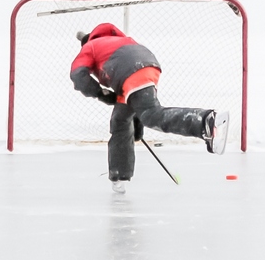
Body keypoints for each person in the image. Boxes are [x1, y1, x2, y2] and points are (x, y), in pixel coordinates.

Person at [69, 22, 225, 191]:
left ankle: (204, 121)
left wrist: (100, 93)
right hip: (146, 65)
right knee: (120, 120)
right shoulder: (123, 40)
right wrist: (137, 125)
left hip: (127, 70)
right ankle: (119, 174)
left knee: (152, 115)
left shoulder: (90, 46)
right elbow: (133, 100)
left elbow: (78, 74)